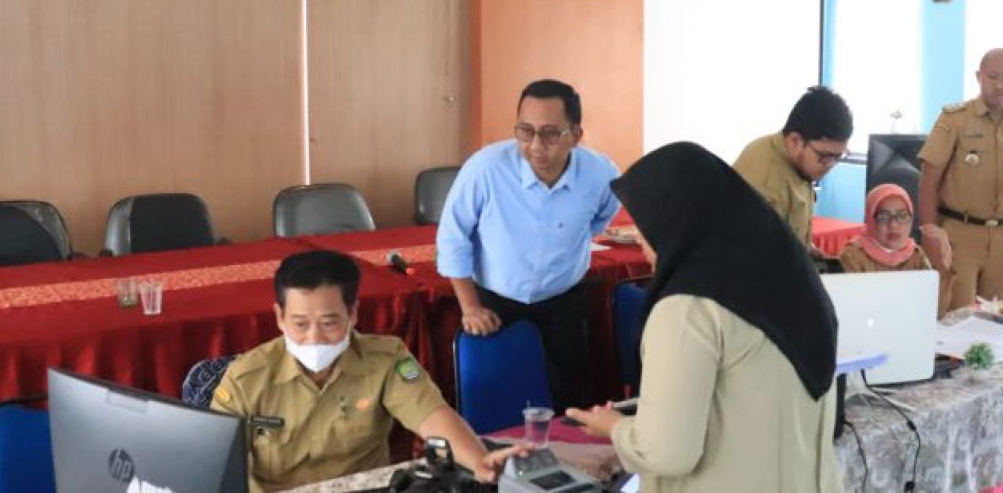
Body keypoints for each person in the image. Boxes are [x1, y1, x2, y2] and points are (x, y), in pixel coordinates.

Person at [567, 142, 843, 492]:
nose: (641, 245)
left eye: (647, 228)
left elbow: (667, 452)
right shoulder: (794, 280)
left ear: (676, 222)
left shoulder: (688, 307)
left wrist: (614, 427)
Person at [211, 250, 525, 492]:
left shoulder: (385, 359)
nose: (315, 338)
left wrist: (479, 460)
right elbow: (223, 472)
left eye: (330, 323)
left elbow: (432, 415)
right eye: (300, 324)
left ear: (353, 314)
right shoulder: (245, 378)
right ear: (279, 317)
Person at [436, 79, 620, 411]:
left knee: (570, 400)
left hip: (563, 300)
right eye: (525, 131)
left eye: (550, 133)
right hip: (494, 302)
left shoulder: (600, 173)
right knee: (499, 398)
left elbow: (602, 216)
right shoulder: (486, 168)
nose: (535, 145)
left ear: (575, 135)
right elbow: (453, 237)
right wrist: (470, 307)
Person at [917, 48, 1003, 310]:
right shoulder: (955, 120)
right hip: (960, 234)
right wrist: (930, 236)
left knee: (998, 322)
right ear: (978, 76)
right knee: (954, 317)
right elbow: (928, 183)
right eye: (993, 76)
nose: (1000, 85)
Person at [733, 85, 853, 248]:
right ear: (795, 140)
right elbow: (756, 259)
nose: (830, 165)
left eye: (838, 156)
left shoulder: (795, 162)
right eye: (824, 157)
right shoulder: (767, 185)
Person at [838, 183, 956, 318]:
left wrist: (943, 268)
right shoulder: (853, 256)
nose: (893, 225)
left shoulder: (916, 255)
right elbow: (853, 312)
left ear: (912, 220)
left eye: (902, 216)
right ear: (870, 219)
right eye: (883, 217)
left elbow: (936, 312)